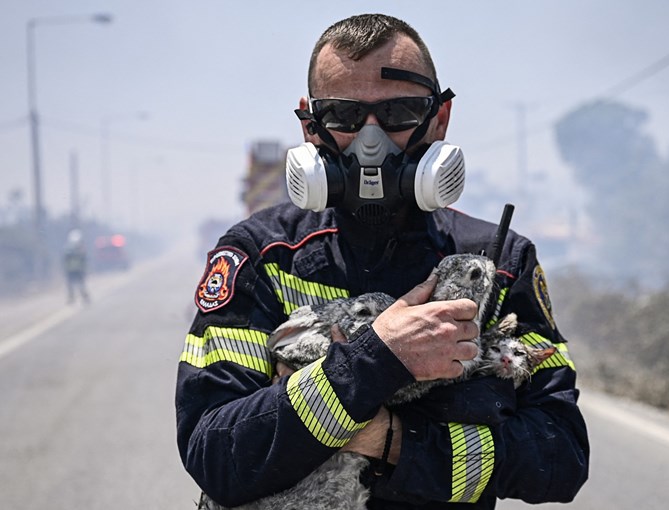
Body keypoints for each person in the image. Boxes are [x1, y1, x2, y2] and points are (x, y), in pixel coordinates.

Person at [176, 13, 589, 509]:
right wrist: (378, 357)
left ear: (440, 118)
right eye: (344, 117)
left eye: (398, 113)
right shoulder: (261, 256)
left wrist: (393, 441)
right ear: (311, 126)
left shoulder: (496, 263)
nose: (371, 142)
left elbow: (561, 459)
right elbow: (217, 454)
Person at [63, 228, 89, 304]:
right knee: (71, 286)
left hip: (78, 270)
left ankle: (85, 298)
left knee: (81, 285)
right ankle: (72, 299)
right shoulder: (68, 249)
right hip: (71, 270)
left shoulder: (80, 249)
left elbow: (84, 260)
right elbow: (65, 260)